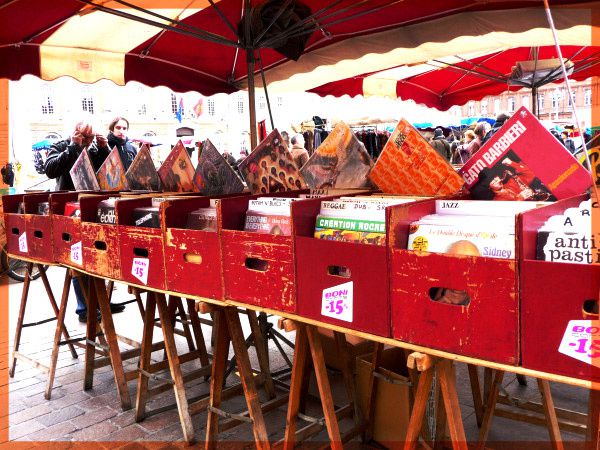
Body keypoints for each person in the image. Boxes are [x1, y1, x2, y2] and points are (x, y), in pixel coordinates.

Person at [44, 120, 125, 323]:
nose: (87, 141)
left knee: (98, 253)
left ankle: (101, 301)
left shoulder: (94, 148)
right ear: (74, 132)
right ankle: (84, 308)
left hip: (91, 208)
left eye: (90, 137)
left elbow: (109, 170)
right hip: (69, 210)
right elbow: (50, 169)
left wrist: (105, 148)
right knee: (78, 257)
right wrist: (73, 146)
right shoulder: (62, 146)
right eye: (84, 137)